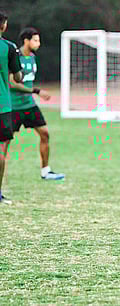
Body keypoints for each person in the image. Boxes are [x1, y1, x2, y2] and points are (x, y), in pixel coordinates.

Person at [9, 27, 65, 180]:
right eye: (35, 40)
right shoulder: (15, 57)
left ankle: (45, 171)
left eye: (39, 40)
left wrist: (33, 92)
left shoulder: (32, 57)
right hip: (14, 107)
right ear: (26, 41)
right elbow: (11, 83)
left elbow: (27, 82)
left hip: (29, 105)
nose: (38, 43)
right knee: (5, 142)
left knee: (45, 134)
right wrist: (36, 91)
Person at [0, 10, 22, 204]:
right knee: (1, 151)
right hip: (3, 106)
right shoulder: (9, 47)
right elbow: (17, 77)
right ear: (3, 25)